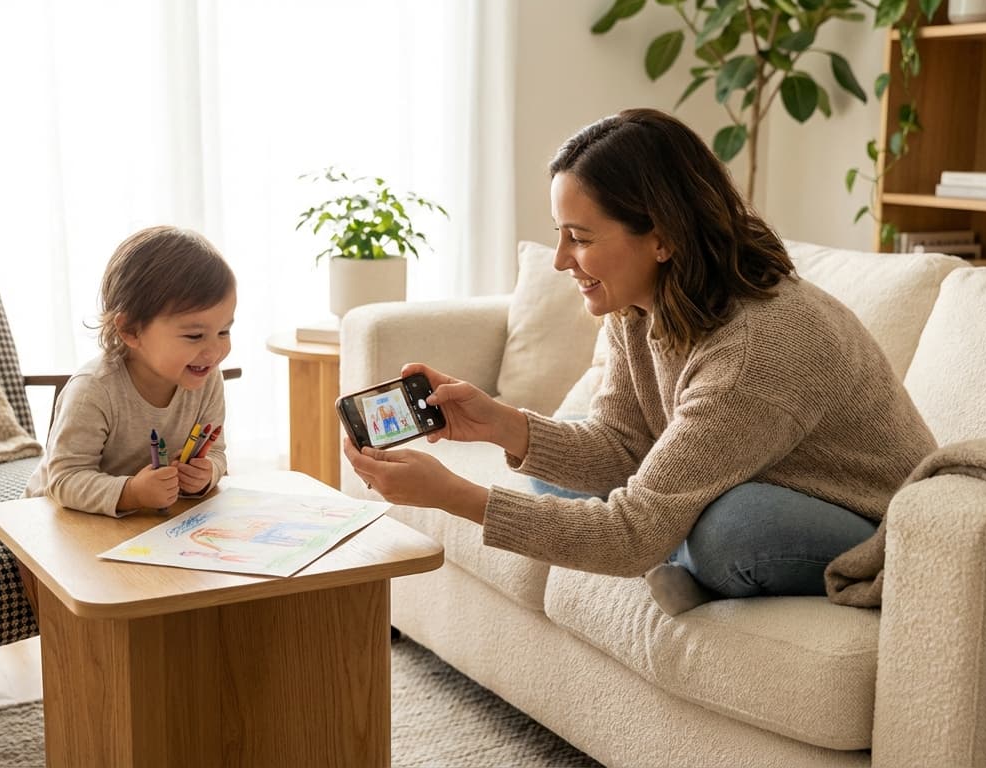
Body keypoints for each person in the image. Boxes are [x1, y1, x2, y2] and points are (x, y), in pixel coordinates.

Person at [344, 108, 936, 615]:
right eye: (560, 233)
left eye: (579, 236)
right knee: (545, 467)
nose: (559, 261)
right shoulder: (637, 305)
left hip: (871, 526)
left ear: (662, 237)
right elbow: (622, 444)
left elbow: (628, 537)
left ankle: (680, 548)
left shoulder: (759, 348)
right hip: (740, 471)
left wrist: (454, 494)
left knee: (729, 530)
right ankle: (672, 536)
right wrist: (499, 422)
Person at [25, 225, 235, 517]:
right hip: (55, 523)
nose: (215, 352)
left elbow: (215, 451)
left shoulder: (207, 377)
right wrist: (132, 492)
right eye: (194, 336)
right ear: (130, 330)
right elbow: (64, 479)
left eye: (224, 331)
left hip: (136, 527)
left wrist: (206, 473)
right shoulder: (93, 390)